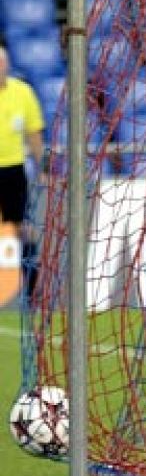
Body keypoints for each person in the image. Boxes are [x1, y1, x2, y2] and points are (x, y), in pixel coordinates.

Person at [0, 48, 44, 304]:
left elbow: (34, 133)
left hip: (14, 169)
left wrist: (43, 168)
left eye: (2, 63)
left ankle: (32, 289)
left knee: (20, 228)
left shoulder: (22, 92)